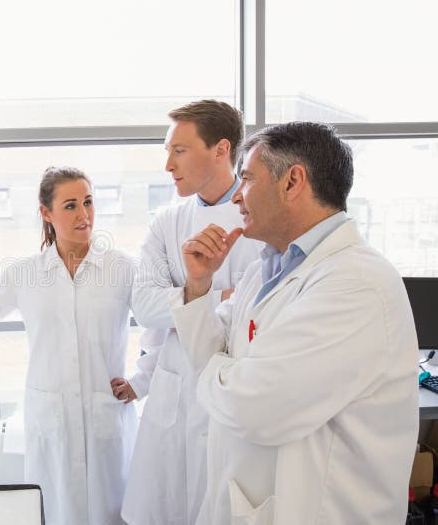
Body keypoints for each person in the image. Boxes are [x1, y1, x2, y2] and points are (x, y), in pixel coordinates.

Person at [172, 121, 419, 524]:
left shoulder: (357, 284)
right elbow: (212, 358)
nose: (236, 196)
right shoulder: (265, 269)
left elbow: (257, 408)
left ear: (292, 182)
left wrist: (221, 374)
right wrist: (199, 285)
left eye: (247, 179)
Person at [0, 166, 137, 525]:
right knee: (56, 509)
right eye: (70, 205)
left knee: (111, 511)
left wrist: (141, 380)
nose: (84, 214)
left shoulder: (123, 267)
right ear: (46, 214)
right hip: (52, 418)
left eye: (88, 202)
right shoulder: (26, 273)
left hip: (105, 418)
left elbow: (159, 321)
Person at [111, 100, 263, 525]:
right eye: (167, 151)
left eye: (179, 150)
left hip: (235, 389)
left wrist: (186, 298)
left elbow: (266, 310)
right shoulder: (168, 221)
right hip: (175, 390)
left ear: (220, 150)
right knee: (168, 506)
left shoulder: (262, 220)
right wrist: (221, 295)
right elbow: (144, 306)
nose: (167, 165)